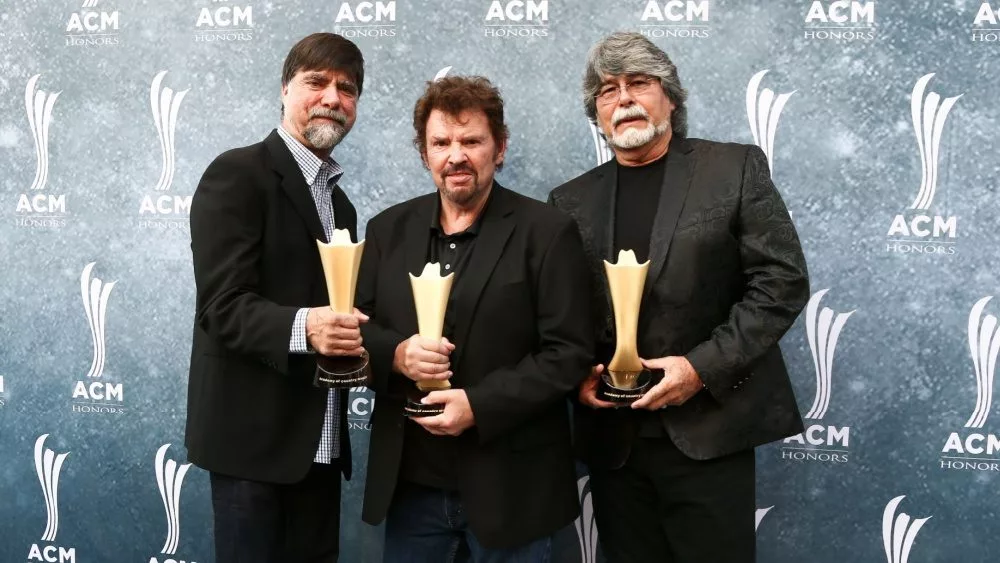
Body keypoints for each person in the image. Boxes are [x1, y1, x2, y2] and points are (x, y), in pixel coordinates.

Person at [548, 31, 810, 562]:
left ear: (670, 96)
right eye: (606, 91)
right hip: (614, 446)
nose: (623, 99)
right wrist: (575, 376)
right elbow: (559, 312)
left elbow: (781, 281)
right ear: (596, 113)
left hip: (709, 432)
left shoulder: (732, 169)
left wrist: (699, 369)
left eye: (638, 83)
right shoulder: (569, 201)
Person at [355, 75, 594, 562]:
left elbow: (569, 353)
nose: (455, 155)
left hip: (515, 491)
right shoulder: (385, 231)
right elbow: (359, 330)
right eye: (441, 142)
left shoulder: (546, 232)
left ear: (499, 148)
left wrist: (478, 406)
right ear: (425, 153)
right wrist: (398, 355)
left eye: (471, 141)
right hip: (410, 493)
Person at [185, 32, 367, 563]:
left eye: (347, 88)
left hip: (323, 443)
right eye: (317, 82)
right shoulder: (237, 174)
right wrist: (308, 327)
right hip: (253, 447)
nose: (333, 97)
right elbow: (221, 307)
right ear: (285, 91)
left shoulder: (345, 209)